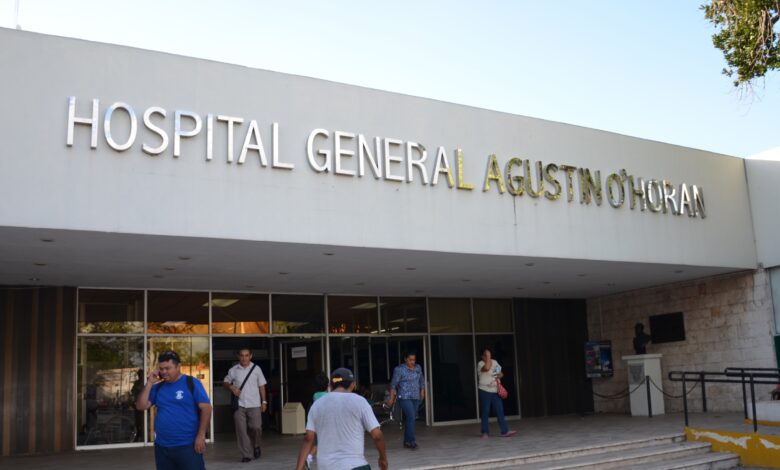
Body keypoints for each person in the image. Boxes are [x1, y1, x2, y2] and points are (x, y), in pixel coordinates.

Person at [295, 368, 388, 470]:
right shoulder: (360, 402)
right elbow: (377, 436)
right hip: (355, 466)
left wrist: (299, 467)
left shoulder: (317, 405)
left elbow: (308, 438)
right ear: (353, 384)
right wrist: (383, 459)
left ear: (331, 385)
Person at [136, 350, 212, 470]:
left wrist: (201, 435)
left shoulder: (191, 383)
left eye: (168, 368)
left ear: (178, 366)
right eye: (161, 369)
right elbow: (141, 406)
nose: (164, 372)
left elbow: (207, 409)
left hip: (188, 446)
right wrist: (149, 383)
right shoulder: (158, 387)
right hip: (162, 447)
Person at [223, 348, 268, 463]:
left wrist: (264, 401)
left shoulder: (256, 369)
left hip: (254, 404)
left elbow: (262, 386)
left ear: (250, 356)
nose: (244, 358)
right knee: (241, 431)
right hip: (239, 405)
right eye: (242, 355)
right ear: (238, 356)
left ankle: (256, 445)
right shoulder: (233, 370)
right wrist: (231, 387)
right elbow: (225, 382)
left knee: (256, 427)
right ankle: (246, 455)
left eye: (246, 355)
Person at [387, 351, 425, 450]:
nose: (412, 362)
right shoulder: (399, 369)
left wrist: (422, 392)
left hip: (415, 397)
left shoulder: (418, 368)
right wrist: (391, 398)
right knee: (411, 416)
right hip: (404, 397)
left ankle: (407, 441)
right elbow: (393, 385)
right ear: (405, 359)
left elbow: (422, 381)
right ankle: (411, 441)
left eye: (414, 360)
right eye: (410, 360)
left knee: (411, 418)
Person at [477, 347, 516, 439]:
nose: (488, 356)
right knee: (486, 411)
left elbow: (500, 374)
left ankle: (504, 431)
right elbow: (487, 368)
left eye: (489, 354)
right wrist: (488, 357)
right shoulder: (480, 363)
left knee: (499, 410)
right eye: (486, 355)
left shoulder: (494, 362)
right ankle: (485, 432)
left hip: (495, 390)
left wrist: (498, 374)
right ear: (482, 356)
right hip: (484, 390)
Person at [305, 372, 330, 469]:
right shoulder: (329, 397)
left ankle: (309, 457)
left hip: (315, 424)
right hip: (326, 424)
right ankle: (309, 457)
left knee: (318, 443)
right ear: (327, 385)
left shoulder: (313, 398)